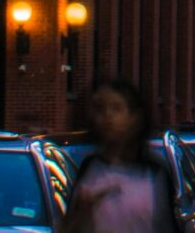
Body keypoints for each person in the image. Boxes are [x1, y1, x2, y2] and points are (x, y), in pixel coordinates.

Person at [61, 77, 176, 233]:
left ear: (135, 118)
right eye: (100, 109)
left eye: (116, 108)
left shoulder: (154, 173)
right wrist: (81, 215)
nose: (108, 116)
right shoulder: (89, 168)